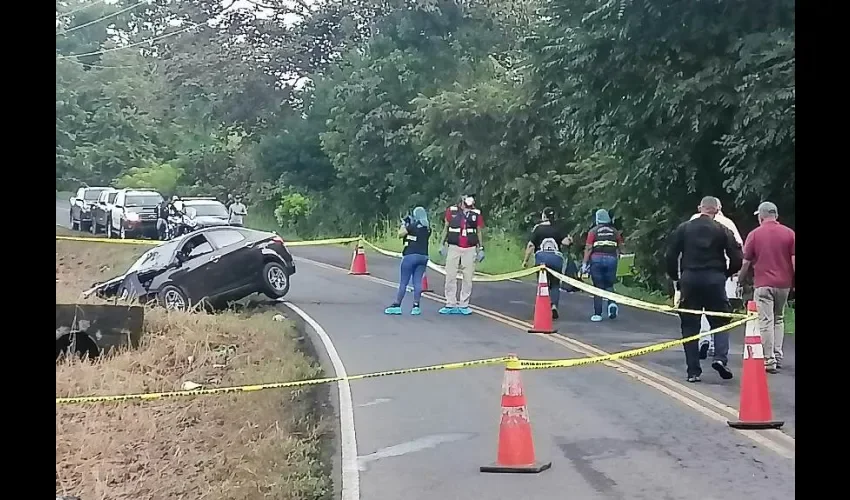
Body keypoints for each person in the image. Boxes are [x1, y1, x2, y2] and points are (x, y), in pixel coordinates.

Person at [665, 196, 743, 383]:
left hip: (690, 279)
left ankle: (693, 371)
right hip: (714, 279)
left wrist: (676, 278)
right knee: (721, 320)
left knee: (690, 325)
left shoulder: (684, 228)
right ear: (717, 210)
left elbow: (670, 254)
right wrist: (725, 273)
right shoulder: (722, 230)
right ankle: (720, 358)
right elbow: (737, 257)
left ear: (700, 208)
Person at [738, 202, 795, 374]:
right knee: (779, 319)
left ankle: (768, 359)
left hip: (763, 284)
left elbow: (746, 262)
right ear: (776, 215)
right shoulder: (789, 234)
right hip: (784, 284)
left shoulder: (755, 234)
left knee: (766, 321)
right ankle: (777, 356)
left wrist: (740, 280)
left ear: (760, 216)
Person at [689, 197, 744, 359]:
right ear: (719, 208)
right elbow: (739, 247)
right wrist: (734, 271)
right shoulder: (727, 223)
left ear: (701, 208)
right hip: (721, 273)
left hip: (695, 272)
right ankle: (716, 346)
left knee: (701, 309)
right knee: (720, 312)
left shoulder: (692, 221)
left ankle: (703, 339)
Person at [521, 207, 573, 319]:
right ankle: (554, 305)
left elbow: (531, 245)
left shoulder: (538, 228)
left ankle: (543, 307)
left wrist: (525, 260)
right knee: (554, 284)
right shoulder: (558, 228)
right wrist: (570, 240)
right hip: (556, 258)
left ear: (543, 216)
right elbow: (566, 242)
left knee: (542, 283)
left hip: (542, 258)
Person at [439, 193, 485, 315]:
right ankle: (450, 303)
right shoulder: (452, 211)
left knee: (468, 277)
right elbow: (446, 227)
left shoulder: (476, 213)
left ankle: (464, 304)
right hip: (454, 247)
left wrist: (481, 248)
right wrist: (441, 244)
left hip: (470, 248)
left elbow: (479, 231)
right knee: (450, 276)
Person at [385, 207, 432, 316]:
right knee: (417, 282)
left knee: (404, 282)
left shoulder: (412, 226)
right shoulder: (428, 228)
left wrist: (404, 224)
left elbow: (401, 234)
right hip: (423, 256)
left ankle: (397, 305)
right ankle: (416, 306)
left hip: (410, 255)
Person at [582, 209, 625, 322]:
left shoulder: (593, 231)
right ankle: (612, 303)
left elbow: (589, 247)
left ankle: (597, 314)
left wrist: (585, 263)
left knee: (598, 287)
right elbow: (620, 247)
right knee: (609, 284)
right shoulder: (614, 231)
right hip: (611, 259)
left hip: (596, 259)